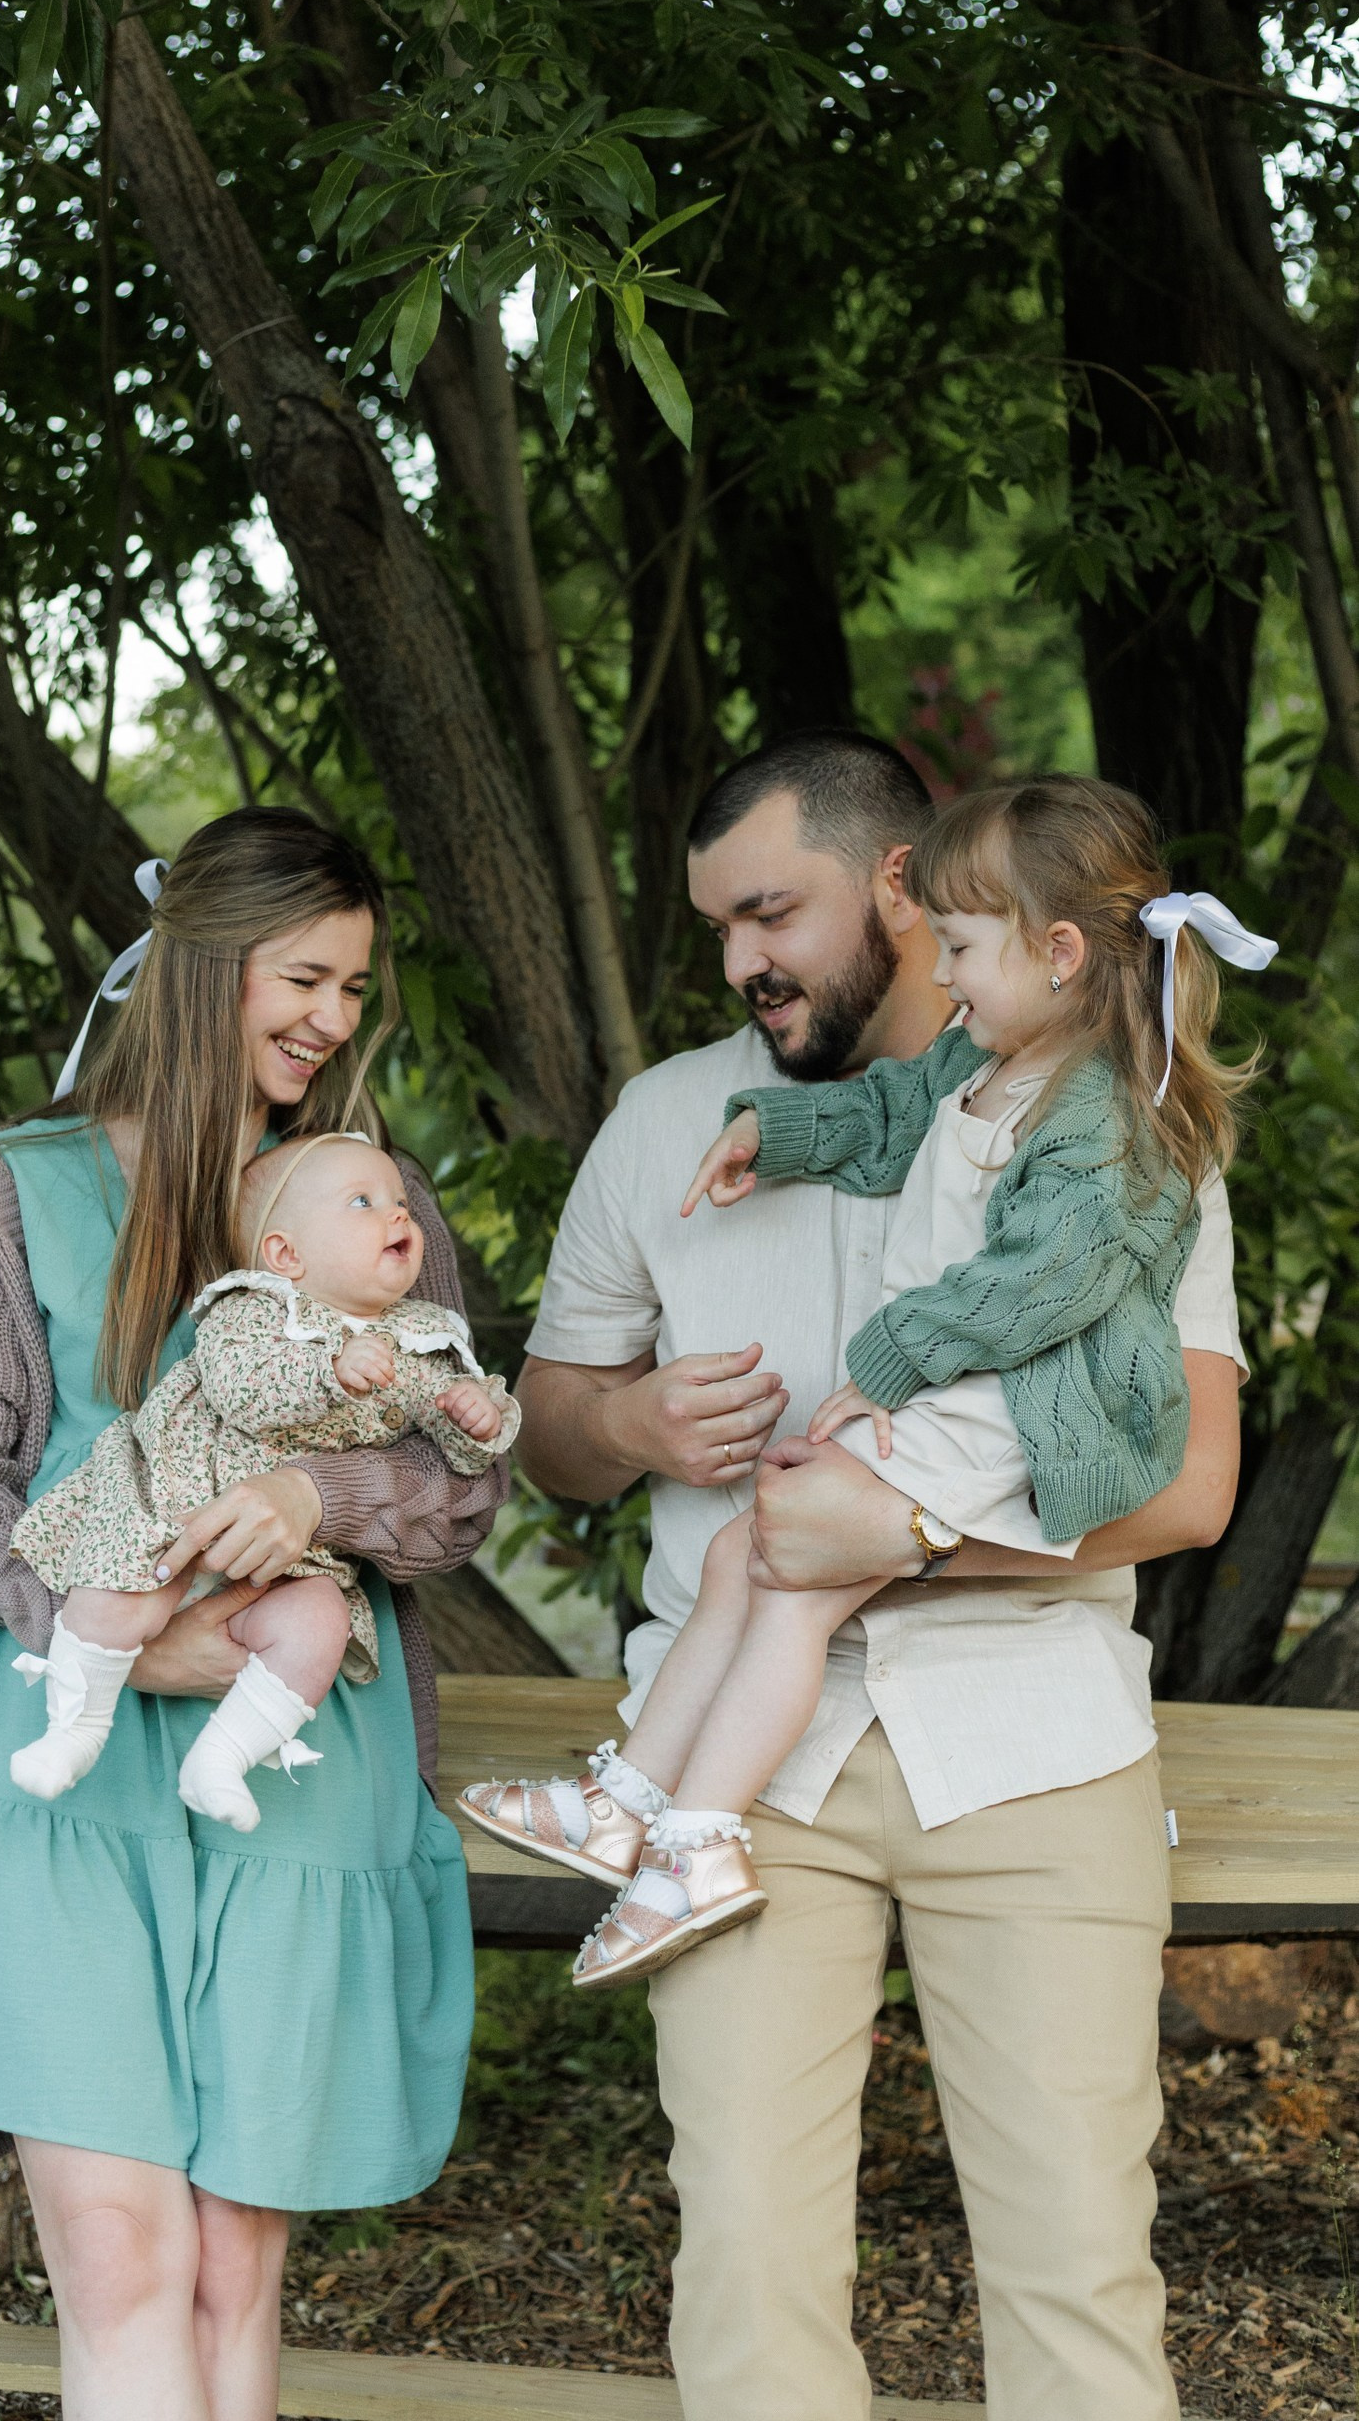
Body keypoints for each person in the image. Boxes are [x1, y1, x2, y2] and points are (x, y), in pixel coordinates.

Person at [511, 735, 1247, 2421]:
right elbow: (549, 1436)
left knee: (1073, 2270)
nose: (738, 961)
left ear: (909, 892)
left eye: (769, 911)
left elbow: (1191, 1486)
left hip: (1031, 1743)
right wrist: (626, 1416)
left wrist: (911, 1536)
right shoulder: (669, 1121)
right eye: (714, 929)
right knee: (749, 2276)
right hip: (740, 1781)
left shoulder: (1123, 1127)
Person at [0, 808, 506, 2421]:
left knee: (231, 2267)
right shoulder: (20, 1190)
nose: (335, 1021)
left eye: (356, 986)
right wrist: (127, 1640)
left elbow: (465, 1472)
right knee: (123, 2253)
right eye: (306, 976)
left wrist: (318, 1503)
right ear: (207, 963)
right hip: (54, 1771)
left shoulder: (364, 1197)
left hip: (284, 1770)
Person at [470, 777, 1270, 2000]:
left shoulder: (1114, 1119)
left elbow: (1035, 1284)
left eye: (770, 911)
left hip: (1015, 1458)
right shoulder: (983, 1058)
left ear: (1054, 952)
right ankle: (626, 1799)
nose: (945, 976)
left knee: (788, 1575)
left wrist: (885, 1388)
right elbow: (893, 1111)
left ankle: (691, 1839)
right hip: (921, 1496)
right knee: (753, 1557)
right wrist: (773, 1136)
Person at [9, 1131, 515, 1819]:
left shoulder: (421, 1338)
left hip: (292, 1559)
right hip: (181, 1511)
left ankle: (222, 1760)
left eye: (400, 1201)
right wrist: (327, 1373)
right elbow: (242, 1390)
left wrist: (476, 1416)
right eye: (363, 1202)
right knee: (127, 1590)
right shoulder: (255, 1310)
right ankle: (76, 1728)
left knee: (318, 1624)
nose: (399, 1215)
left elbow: (454, 1459)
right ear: (285, 1254)